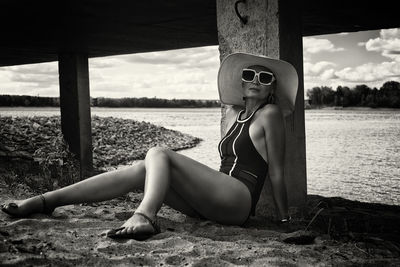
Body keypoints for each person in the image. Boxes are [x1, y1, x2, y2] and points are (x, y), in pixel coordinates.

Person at [1, 52, 298, 241]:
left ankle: (144, 216)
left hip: (239, 199)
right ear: (242, 84)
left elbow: (277, 172)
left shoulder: (270, 115)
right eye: (249, 75)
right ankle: (46, 201)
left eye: (264, 77)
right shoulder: (234, 114)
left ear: (272, 87)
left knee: (158, 153)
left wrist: (284, 221)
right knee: (144, 169)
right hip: (211, 202)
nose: (255, 81)